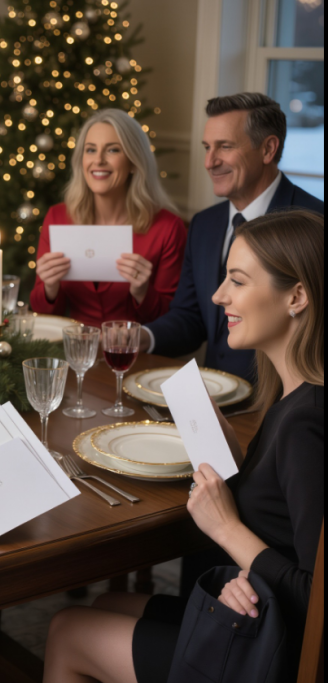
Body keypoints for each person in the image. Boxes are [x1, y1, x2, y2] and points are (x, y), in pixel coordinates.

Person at [43, 209, 324, 683]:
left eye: (237, 281)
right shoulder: (291, 398)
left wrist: (228, 530)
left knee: (67, 629)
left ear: (297, 296)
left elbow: (316, 598)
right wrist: (235, 462)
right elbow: (284, 523)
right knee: (109, 601)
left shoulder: (306, 424)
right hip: (259, 612)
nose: (218, 297)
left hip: (279, 651)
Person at [142, 93, 324, 381]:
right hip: (216, 403)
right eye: (206, 147)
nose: (209, 162)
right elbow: (191, 319)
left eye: (224, 146)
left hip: (286, 412)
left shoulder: (315, 224)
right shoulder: (204, 225)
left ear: (268, 149)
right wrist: (141, 337)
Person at [29, 109, 187, 327]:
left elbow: (172, 321)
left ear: (134, 162)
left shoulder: (167, 227)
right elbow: (43, 314)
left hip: (137, 355)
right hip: (76, 352)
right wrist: (49, 288)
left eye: (112, 150)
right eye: (91, 150)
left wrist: (142, 292)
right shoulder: (58, 217)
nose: (99, 160)